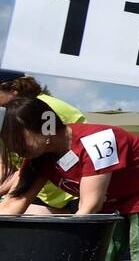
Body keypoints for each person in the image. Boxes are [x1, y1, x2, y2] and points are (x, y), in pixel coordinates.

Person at [0, 98, 139, 261]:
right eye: (9, 142)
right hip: (110, 207)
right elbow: (12, 204)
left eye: (18, 139)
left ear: (44, 125)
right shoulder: (40, 157)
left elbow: (89, 207)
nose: (14, 148)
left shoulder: (99, 140)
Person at [0, 70, 85, 215]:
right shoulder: (6, 115)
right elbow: (4, 162)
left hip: (68, 192)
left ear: (13, 90)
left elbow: (41, 154)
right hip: (42, 191)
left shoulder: (47, 109)